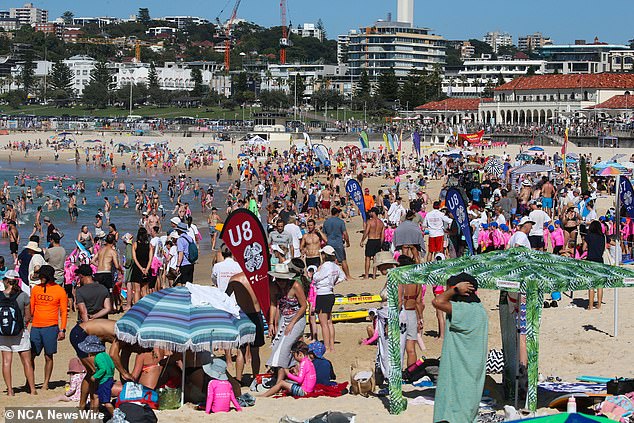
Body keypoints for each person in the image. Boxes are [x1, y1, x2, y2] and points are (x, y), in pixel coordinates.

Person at [432, 273, 488, 423]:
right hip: (469, 374)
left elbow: (437, 301)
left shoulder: (465, 310)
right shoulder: (478, 309)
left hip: (461, 377)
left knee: (457, 415)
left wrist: (454, 290)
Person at [30, 264, 67, 390]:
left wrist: (62, 329)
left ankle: (46, 383)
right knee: (31, 355)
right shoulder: (35, 289)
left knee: (48, 356)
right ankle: (29, 381)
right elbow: (31, 308)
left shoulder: (59, 290)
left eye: (42, 275)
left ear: (47, 276)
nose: (40, 277)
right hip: (35, 326)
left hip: (51, 327)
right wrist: (25, 324)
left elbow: (63, 312)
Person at [0, 270, 36, 395]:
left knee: (6, 361)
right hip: (20, 332)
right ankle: (32, 390)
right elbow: (28, 317)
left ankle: (10, 390)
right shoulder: (24, 296)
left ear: (5, 281)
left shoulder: (0, 295)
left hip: (3, 334)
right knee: (26, 361)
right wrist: (23, 326)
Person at [267, 264, 308, 373]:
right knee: (276, 344)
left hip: (297, 318)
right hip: (284, 318)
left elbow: (304, 305)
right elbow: (273, 305)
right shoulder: (274, 286)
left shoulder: (295, 286)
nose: (281, 282)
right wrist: (271, 323)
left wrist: (292, 323)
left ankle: (284, 372)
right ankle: (284, 371)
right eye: (279, 279)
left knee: (286, 345)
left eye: (283, 280)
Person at [226, 272, 265, 382]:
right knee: (255, 350)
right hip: (255, 314)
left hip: (242, 315)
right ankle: (256, 378)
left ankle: (238, 379)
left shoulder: (234, 279)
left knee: (241, 350)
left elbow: (225, 296)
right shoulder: (257, 278)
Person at [311, 246, 346, 353]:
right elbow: (343, 276)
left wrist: (316, 272)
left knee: (323, 323)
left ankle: (326, 346)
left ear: (324, 255)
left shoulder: (325, 266)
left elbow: (316, 277)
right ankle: (331, 346)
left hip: (322, 294)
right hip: (330, 293)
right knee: (329, 321)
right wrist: (333, 283)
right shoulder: (335, 266)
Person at [398, 255, 425, 367]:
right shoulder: (417, 282)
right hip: (413, 313)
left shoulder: (400, 280)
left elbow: (399, 301)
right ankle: (411, 373)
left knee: (399, 346)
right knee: (411, 348)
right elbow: (419, 303)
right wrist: (420, 318)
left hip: (402, 313)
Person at [78, 335, 115, 416]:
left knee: (106, 402)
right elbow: (112, 366)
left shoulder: (97, 358)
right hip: (109, 378)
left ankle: (116, 416)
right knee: (96, 395)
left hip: (104, 381)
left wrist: (95, 376)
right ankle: (95, 412)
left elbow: (103, 369)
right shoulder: (105, 355)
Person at [584, 220, 606, 310]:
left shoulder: (589, 236)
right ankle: (599, 305)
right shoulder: (602, 236)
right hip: (600, 260)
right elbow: (605, 247)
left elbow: (584, 247)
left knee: (591, 285)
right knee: (600, 285)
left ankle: (590, 306)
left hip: (590, 260)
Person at [323, 207, 351, 279]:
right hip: (338, 243)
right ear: (337, 213)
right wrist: (347, 242)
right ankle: (347, 276)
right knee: (343, 260)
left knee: (329, 261)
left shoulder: (326, 222)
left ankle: (329, 276)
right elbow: (345, 233)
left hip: (329, 243)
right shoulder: (340, 222)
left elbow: (324, 234)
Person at [359, 207, 385, 279]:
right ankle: (374, 275)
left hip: (371, 240)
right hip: (378, 240)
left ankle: (367, 275)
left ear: (373, 213)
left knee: (367, 258)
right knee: (375, 258)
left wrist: (362, 240)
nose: (370, 213)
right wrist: (381, 243)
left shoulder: (370, 222)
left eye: (371, 212)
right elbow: (383, 236)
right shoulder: (381, 223)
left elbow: (366, 232)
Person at [131, 227, 154, 304]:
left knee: (137, 290)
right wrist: (146, 269)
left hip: (137, 269)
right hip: (146, 268)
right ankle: (146, 307)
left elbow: (134, 259)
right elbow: (150, 259)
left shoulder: (135, 244)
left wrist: (141, 268)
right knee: (145, 290)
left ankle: (137, 308)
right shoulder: (150, 245)